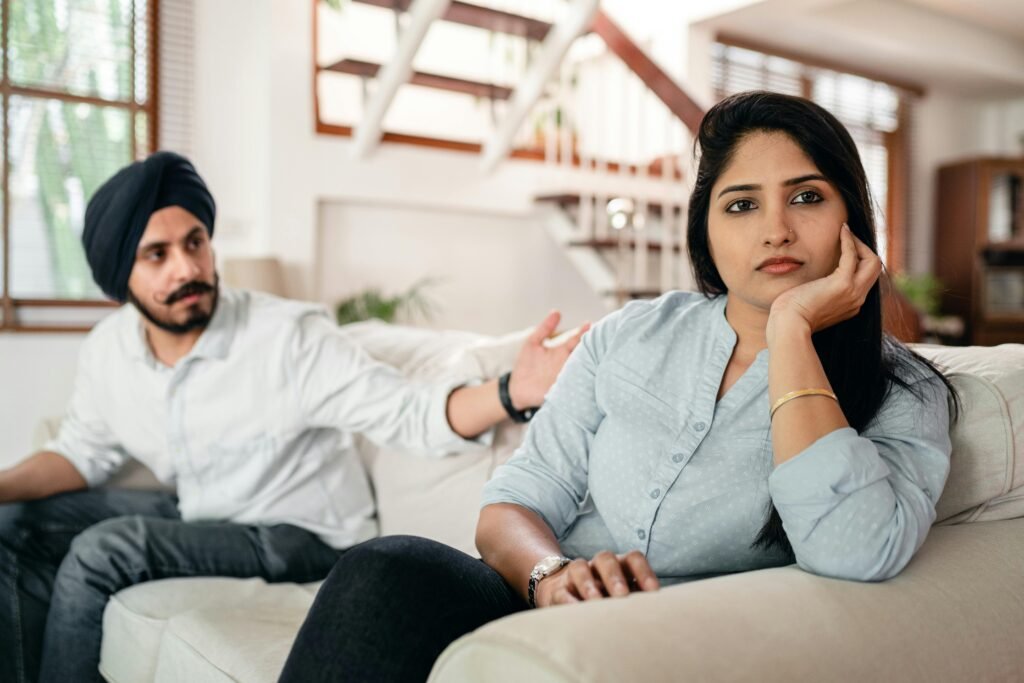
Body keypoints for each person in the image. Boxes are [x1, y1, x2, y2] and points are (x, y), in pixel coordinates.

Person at [278, 90, 961, 682]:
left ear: (853, 219)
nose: (775, 229)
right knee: (383, 569)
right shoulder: (630, 334)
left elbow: (854, 548)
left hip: (669, 641)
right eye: (741, 204)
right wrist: (550, 575)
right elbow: (513, 502)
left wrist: (791, 331)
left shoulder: (901, 391)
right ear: (707, 231)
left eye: (806, 196)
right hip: (541, 599)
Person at [0, 151, 587, 683]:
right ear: (119, 278)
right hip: (205, 511)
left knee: (105, 551)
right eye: (158, 254)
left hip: (302, 534)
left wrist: (513, 390)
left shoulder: (287, 338)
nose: (187, 267)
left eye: (195, 241)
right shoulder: (109, 352)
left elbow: (408, 412)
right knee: (13, 525)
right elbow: (81, 452)